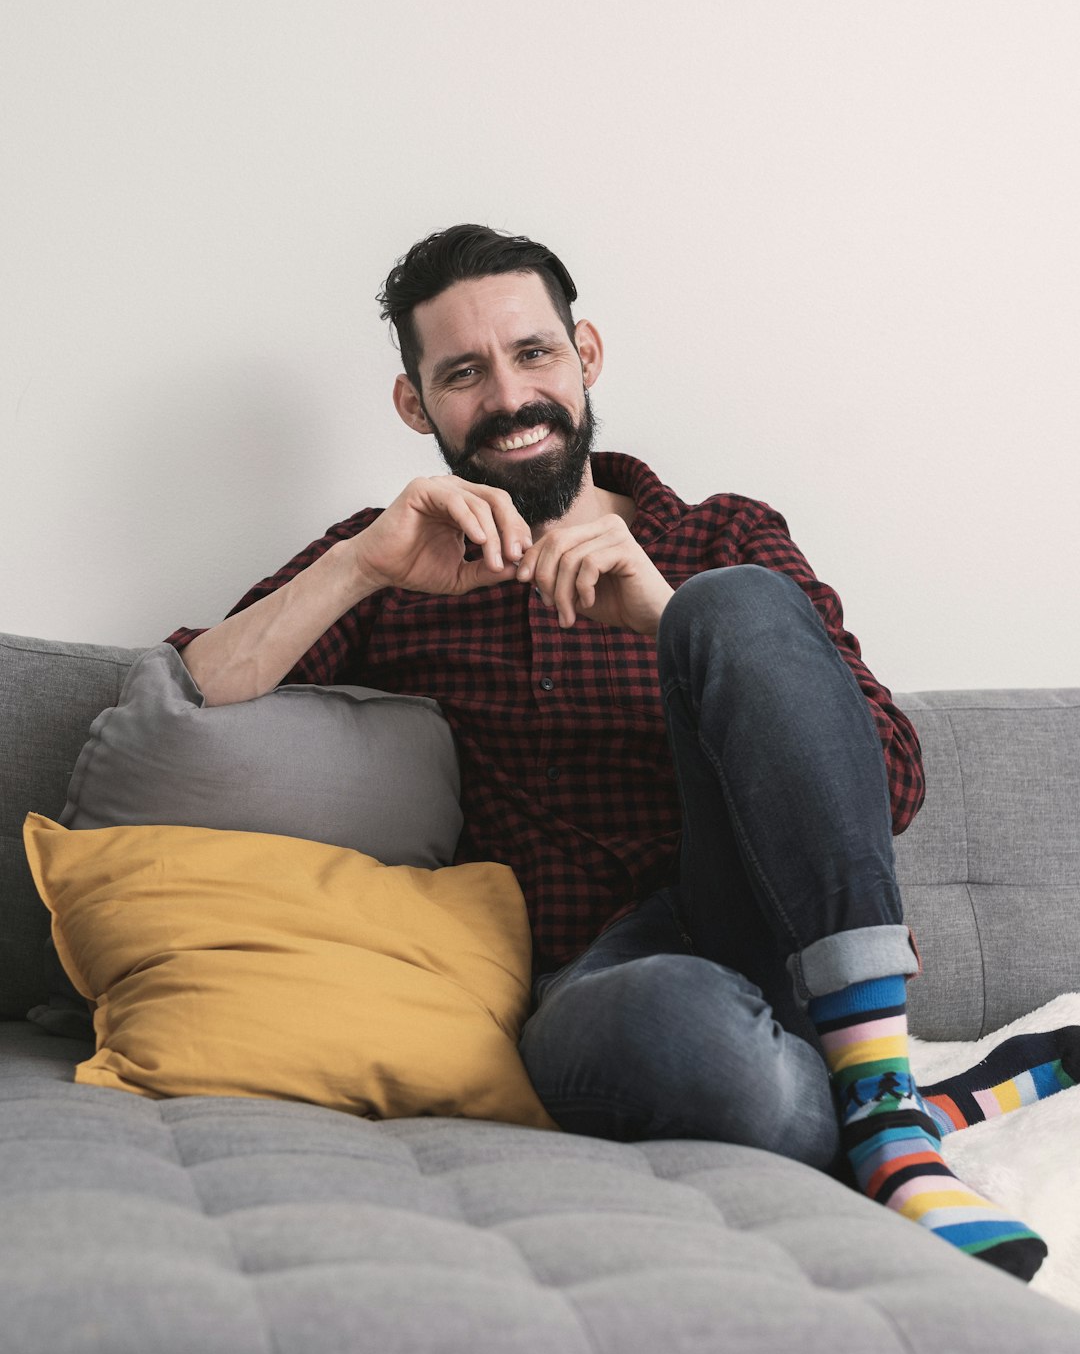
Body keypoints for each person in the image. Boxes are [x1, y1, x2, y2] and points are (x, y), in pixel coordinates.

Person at [168, 223, 1076, 1283]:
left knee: (734, 604)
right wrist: (362, 563)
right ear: (416, 404)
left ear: (585, 354)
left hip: (785, 942)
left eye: (533, 353)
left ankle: (877, 1096)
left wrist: (667, 616)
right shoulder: (401, 557)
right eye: (463, 373)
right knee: (681, 1031)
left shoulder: (721, 534)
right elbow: (186, 701)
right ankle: (908, 1107)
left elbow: (893, 778)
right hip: (602, 986)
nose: (509, 397)